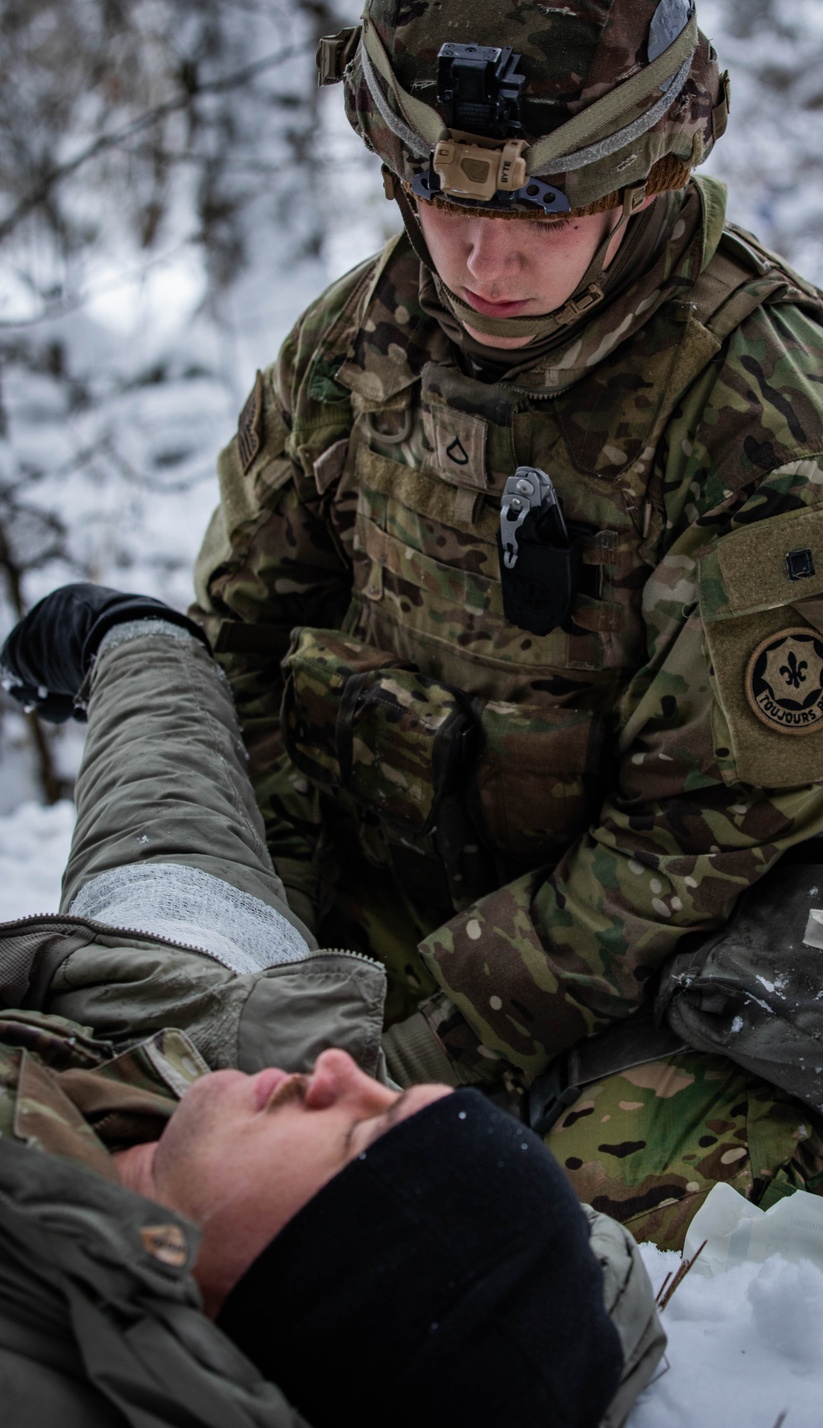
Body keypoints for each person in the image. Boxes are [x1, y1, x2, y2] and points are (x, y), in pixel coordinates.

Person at [190, 0, 823, 1247]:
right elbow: (245, 648)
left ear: (647, 175)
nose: (481, 265)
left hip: (678, 950)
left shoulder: (768, 417)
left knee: (533, 1229)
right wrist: (268, 957)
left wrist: (437, 1039)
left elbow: (712, 824)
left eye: (541, 214)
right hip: (400, 900)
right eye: (442, 205)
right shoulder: (364, 341)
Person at [0, 584, 664, 1428]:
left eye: (360, 1133)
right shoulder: (219, 1021)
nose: (339, 1069)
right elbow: (169, 807)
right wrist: (136, 638)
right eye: (391, 1094)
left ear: (303, 1293)